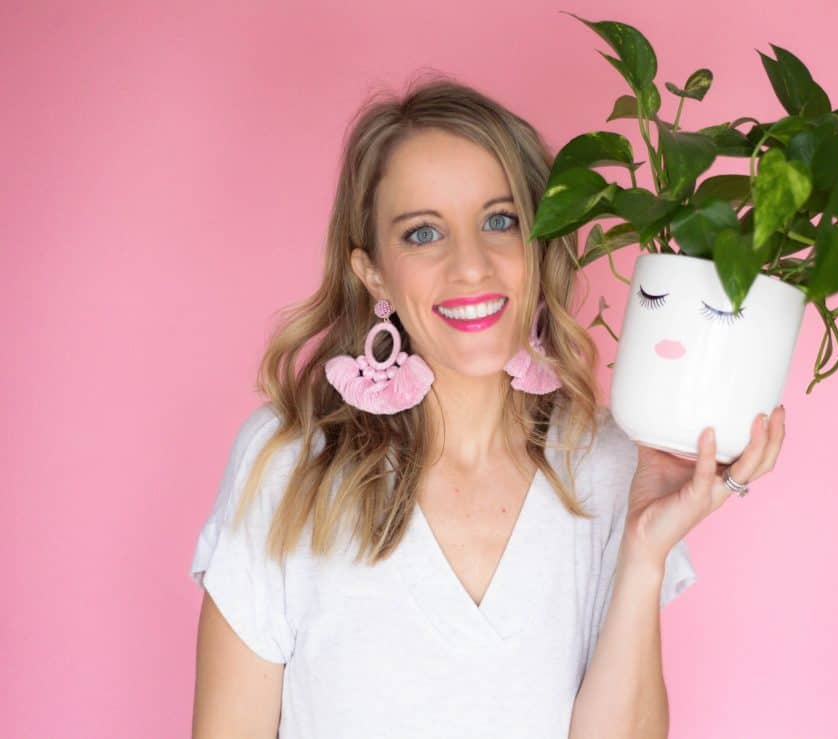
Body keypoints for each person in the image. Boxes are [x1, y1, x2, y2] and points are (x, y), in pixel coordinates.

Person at [189, 74, 786, 739]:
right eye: (422, 234)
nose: (470, 265)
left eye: (500, 221)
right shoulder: (290, 463)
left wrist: (645, 549)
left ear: (540, 242)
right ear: (373, 272)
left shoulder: (610, 462)